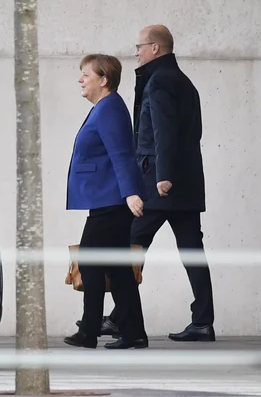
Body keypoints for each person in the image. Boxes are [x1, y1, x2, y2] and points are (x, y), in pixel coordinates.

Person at [101, 25, 215, 342]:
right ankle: (203, 322)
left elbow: (165, 131)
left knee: (130, 246)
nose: (136, 52)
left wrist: (164, 175)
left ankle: (118, 318)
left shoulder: (160, 81)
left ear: (155, 48)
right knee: (192, 251)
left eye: (139, 46)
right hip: (187, 184)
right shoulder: (183, 82)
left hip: (160, 183)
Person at [63, 54, 148, 350]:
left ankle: (89, 331)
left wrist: (129, 193)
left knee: (90, 260)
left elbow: (122, 153)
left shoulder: (110, 108)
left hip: (112, 199)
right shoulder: (105, 107)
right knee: (118, 268)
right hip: (107, 199)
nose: (80, 79)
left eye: (86, 74)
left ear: (104, 80)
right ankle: (134, 332)